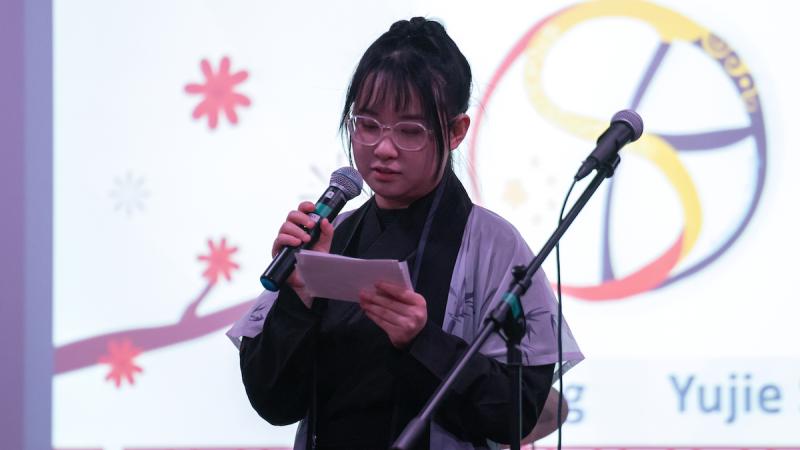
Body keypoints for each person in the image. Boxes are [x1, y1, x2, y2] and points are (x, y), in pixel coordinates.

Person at [227, 17, 583, 450]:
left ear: (455, 132)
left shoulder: (496, 246)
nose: (384, 148)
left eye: (410, 130)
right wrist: (297, 297)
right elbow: (274, 403)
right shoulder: (329, 236)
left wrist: (423, 341)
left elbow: (520, 414)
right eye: (369, 125)